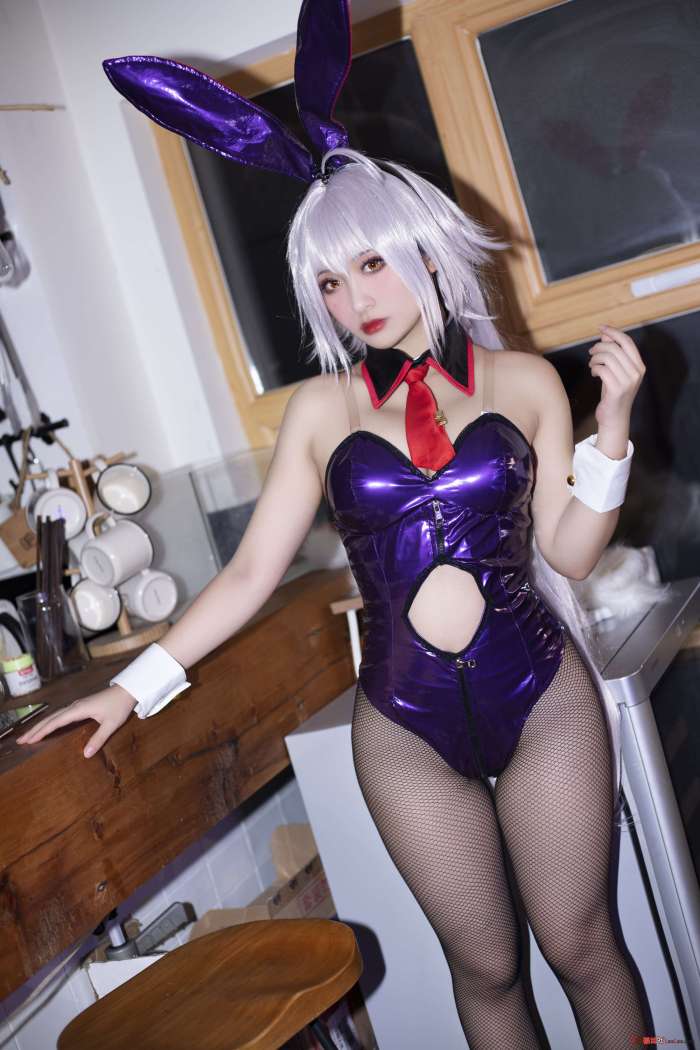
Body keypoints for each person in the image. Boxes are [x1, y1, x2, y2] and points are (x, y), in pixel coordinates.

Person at [17, 3, 651, 1045]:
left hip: (542, 698)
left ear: (422, 252)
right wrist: (130, 691)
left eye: (370, 265)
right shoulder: (321, 409)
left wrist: (612, 429)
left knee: (582, 947)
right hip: (404, 725)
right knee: (487, 972)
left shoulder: (524, 381)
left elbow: (569, 553)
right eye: (328, 280)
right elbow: (247, 574)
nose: (355, 299)